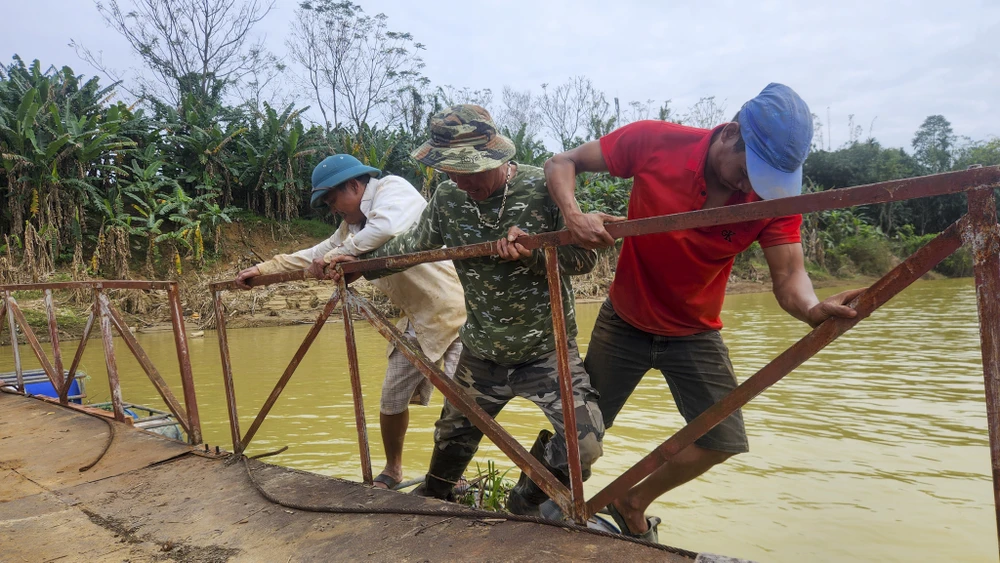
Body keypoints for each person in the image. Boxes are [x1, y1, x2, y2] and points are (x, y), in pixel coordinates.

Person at [543, 83, 865, 540]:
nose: (751, 187)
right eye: (748, 170)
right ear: (731, 133)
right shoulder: (656, 141)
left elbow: (790, 275)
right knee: (580, 430)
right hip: (625, 321)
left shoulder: (770, 200)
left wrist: (813, 309)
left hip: (695, 331)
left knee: (722, 440)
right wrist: (574, 215)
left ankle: (630, 500)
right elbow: (561, 161)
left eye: (765, 181)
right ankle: (536, 495)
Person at [324, 105, 605, 518]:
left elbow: (583, 262)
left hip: (546, 350)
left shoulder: (539, 188)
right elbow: (412, 246)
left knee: (584, 444)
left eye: (468, 170)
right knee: (451, 439)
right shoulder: (449, 197)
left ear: (497, 157)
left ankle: (527, 498)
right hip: (482, 352)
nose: (459, 180)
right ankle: (436, 500)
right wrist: (355, 266)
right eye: (451, 171)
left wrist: (533, 251)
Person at [235, 154, 466, 491]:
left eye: (332, 200)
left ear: (356, 186)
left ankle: (450, 476)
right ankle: (393, 470)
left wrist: (336, 257)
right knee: (391, 398)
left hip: (456, 311)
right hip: (417, 318)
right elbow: (320, 251)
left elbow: (385, 228)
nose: (333, 209)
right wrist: (267, 268)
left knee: (460, 402)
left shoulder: (392, 190)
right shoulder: (351, 229)